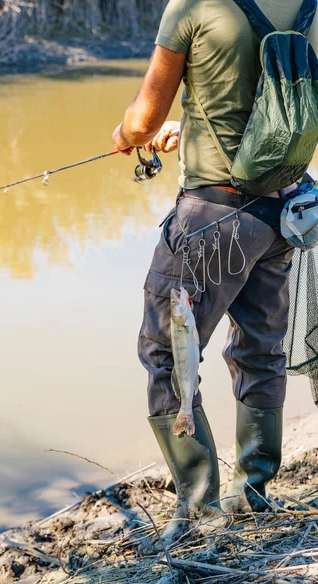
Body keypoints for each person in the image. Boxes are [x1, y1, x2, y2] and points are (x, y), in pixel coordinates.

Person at [112, 0, 318, 548]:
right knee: (260, 352)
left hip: (212, 218)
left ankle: (199, 507)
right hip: (284, 219)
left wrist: (130, 132)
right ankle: (251, 495)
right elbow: (287, 108)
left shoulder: (194, 6)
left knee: (164, 352)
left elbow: (141, 123)